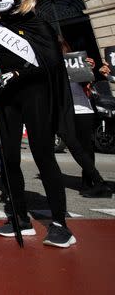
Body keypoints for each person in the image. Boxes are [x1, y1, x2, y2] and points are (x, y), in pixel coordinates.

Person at [0, 0, 75, 247]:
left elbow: (51, 62)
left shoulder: (38, 25)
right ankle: (20, 216)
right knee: (8, 158)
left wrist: (18, 73)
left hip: (36, 97)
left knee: (43, 155)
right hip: (6, 100)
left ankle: (60, 224)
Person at [57, 41, 110, 198]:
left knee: (85, 147)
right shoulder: (52, 66)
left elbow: (87, 83)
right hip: (66, 111)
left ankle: (90, 182)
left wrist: (89, 69)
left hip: (83, 109)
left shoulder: (77, 62)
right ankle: (95, 180)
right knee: (74, 145)